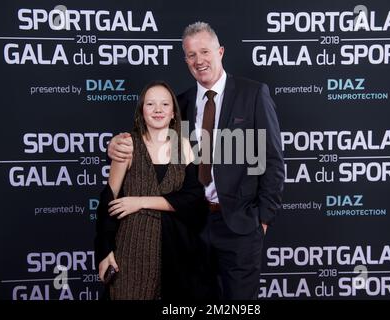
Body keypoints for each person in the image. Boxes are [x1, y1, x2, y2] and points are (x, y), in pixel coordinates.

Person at [108, 22, 284, 300]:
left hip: (239, 226)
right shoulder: (180, 104)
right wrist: (116, 142)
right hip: (191, 226)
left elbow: (273, 159)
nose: (199, 60)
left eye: (205, 51)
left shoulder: (253, 94)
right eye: (191, 55)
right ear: (186, 60)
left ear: (221, 52)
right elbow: (148, 142)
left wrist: (263, 220)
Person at [94, 80, 212, 300]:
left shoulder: (184, 146)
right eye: (151, 104)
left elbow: (193, 200)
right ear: (142, 110)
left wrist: (139, 202)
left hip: (177, 252)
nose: (158, 110)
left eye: (164, 104)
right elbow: (107, 200)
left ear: (173, 113)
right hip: (131, 250)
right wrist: (104, 252)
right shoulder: (128, 145)